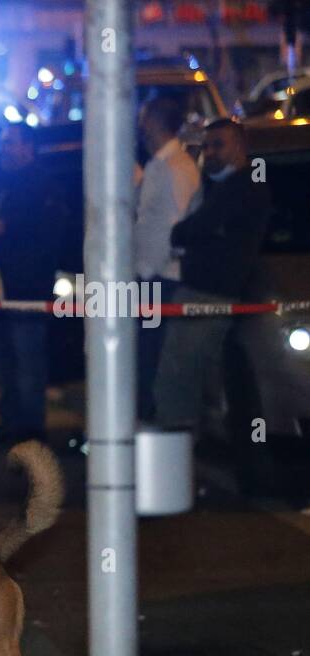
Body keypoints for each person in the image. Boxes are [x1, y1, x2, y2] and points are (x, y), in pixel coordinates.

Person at [154, 118, 271, 435]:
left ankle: (177, 452)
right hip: (214, 291)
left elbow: (192, 229)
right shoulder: (224, 185)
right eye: (206, 145)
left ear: (239, 147)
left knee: (178, 378)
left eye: (218, 144)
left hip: (209, 293)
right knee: (201, 376)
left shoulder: (243, 185)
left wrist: (189, 232)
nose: (210, 152)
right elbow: (198, 229)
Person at [0, 122, 66, 443]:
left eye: (9, 143)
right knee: (2, 359)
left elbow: (49, 231)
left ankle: (30, 429)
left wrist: (5, 228)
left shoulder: (42, 185)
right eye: (1, 143)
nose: (2, 149)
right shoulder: (0, 185)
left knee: (27, 361)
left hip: (25, 289)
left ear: (28, 147)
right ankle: (11, 423)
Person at [133, 96, 200, 422]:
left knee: (153, 356)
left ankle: (155, 427)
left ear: (155, 122)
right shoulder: (160, 165)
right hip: (151, 277)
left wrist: (149, 271)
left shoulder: (175, 168)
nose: (139, 126)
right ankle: (146, 423)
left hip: (161, 279)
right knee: (145, 353)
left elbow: (175, 228)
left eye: (143, 119)